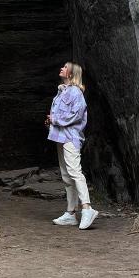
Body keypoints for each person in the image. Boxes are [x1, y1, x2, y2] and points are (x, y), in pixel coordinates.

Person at [46, 61, 98, 230]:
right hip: (60, 137)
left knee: (75, 172)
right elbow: (61, 115)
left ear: (70, 74)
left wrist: (56, 120)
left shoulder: (75, 92)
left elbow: (76, 115)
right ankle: (70, 214)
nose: (61, 68)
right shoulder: (62, 92)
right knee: (66, 176)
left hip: (70, 138)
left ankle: (87, 208)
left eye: (65, 67)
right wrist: (51, 121)